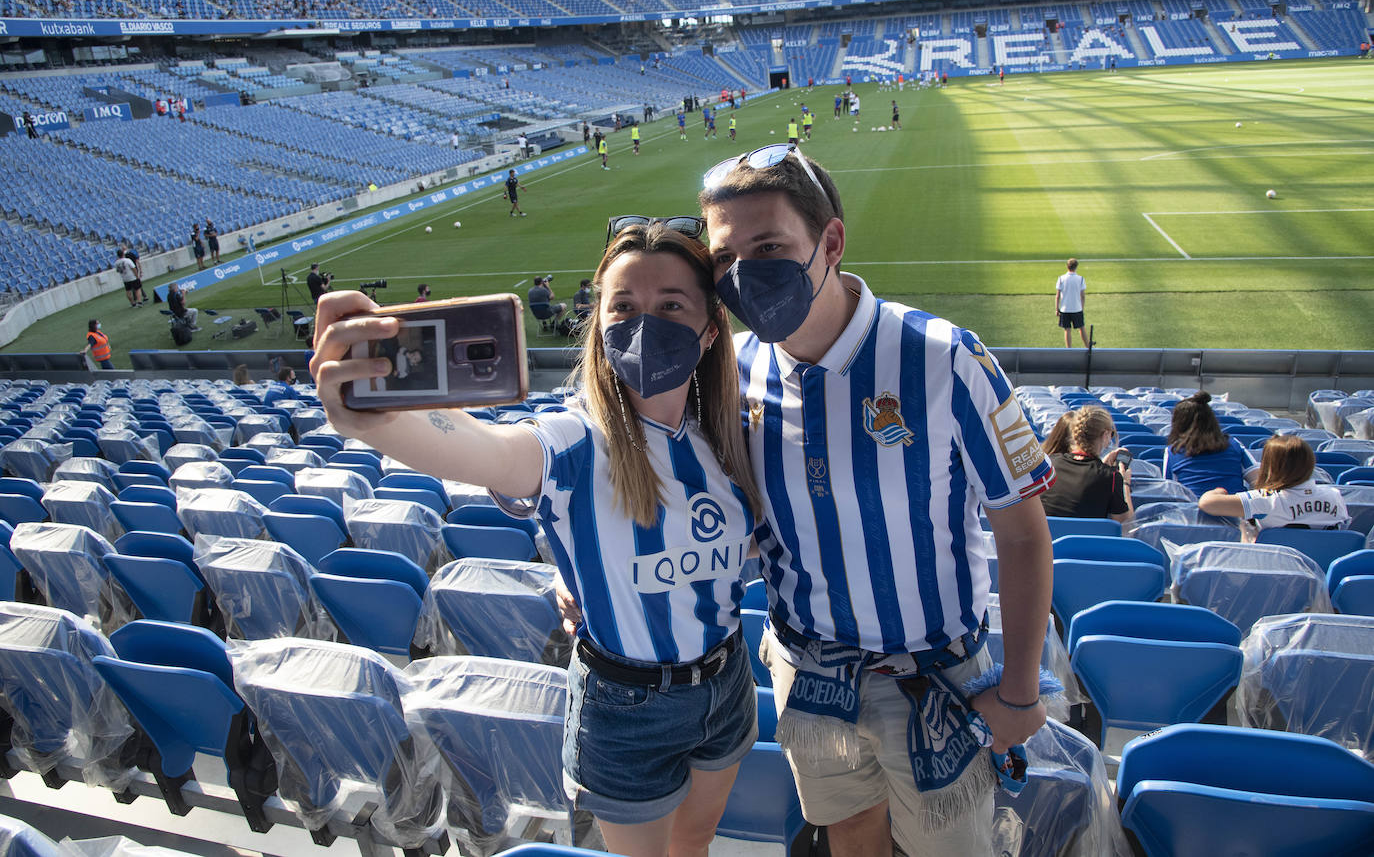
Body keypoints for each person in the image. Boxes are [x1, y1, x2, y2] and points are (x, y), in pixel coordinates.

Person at [309, 220, 763, 857]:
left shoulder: (732, 433)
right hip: (628, 708)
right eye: (624, 306)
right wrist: (375, 415)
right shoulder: (576, 440)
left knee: (695, 844)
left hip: (727, 680)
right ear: (600, 326)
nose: (644, 323)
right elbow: (487, 451)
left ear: (710, 330)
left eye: (670, 306)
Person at [698, 144, 1055, 857]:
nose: (745, 275)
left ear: (829, 241)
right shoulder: (732, 375)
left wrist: (1019, 690)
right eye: (724, 259)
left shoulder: (946, 357)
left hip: (931, 680)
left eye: (769, 246)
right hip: (807, 673)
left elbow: (1021, 533)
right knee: (849, 838)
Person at [1198, 434, 1351, 540]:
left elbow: (1207, 503)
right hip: (1322, 575)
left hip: (1276, 575)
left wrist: (1219, 491)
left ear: (1270, 466)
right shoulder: (1335, 495)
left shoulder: (1267, 499)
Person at [1038, 406, 1133, 523]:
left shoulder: (1049, 463)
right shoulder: (1111, 477)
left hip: (1049, 540)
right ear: (1105, 435)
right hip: (1088, 541)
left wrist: (1102, 465)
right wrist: (1125, 484)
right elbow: (1127, 525)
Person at [1163, 391, 1257, 496]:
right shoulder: (1234, 444)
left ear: (1177, 423)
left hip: (1194, 510)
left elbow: (1170, 492)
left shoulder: (1173, 451)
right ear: (1212, 419)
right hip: (1236, 508)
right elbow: (1257, 480)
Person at [1055, 258, 1088, 348]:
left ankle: (1069, 350)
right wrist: (1082, 308)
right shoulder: (1080, 279)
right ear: (1076, 267)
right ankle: (1088, 347)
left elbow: (1057, 296)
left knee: (1067, 330)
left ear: (1067, 266)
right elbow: (1083, 296)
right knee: (1081, 328)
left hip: (1065, 309)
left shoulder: (1061, 279)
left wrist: (1057, 309)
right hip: (1077, 308)